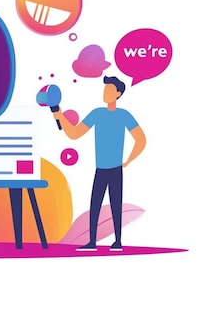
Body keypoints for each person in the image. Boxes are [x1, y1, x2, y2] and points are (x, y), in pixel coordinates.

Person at [53, 76, 146, 251]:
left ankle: (117, 242)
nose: (106, 92)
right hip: (101, 168)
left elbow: (141, 140)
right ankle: (91, 242)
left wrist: (128, 160)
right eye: (105, 89)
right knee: (95, 204)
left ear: (118, 94)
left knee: (115, 204)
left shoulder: (123, 115)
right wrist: (59, 115)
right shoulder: (97, 113)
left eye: (109, 89)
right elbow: (74, 134)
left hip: (116, 168)